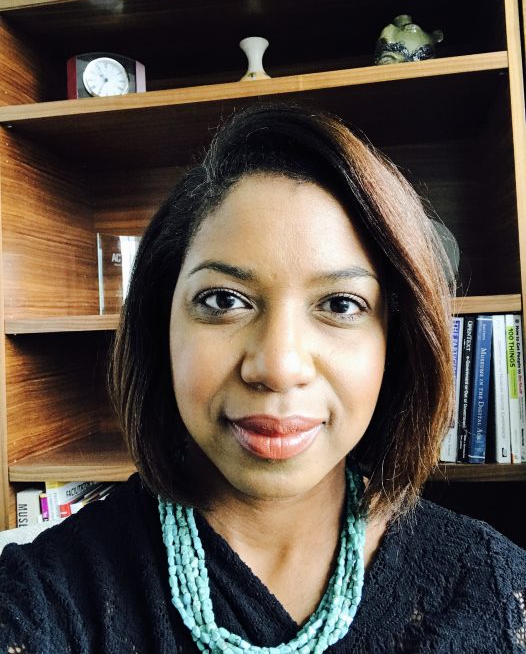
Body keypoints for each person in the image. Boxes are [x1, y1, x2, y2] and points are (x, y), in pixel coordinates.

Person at [0, 102, 525, 653]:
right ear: (162, 326)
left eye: (341, 304)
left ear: (395, 342)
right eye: (224, 300)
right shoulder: (43, 597)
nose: (278, 367)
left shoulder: (495, 590)